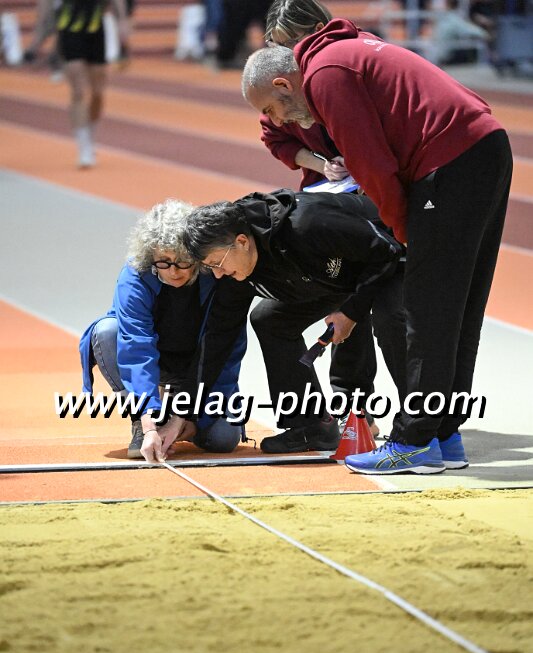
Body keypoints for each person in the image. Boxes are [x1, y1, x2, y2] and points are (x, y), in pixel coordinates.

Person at [241, 22, 512, 475]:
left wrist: (403, 232)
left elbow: (372, 166)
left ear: (284, 84)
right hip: (483, 147)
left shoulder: (325, 75)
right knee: (458, 309)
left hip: (448, 162)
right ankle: (443, 435)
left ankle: (414, 443)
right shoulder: (343, 53)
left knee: (424, 310)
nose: (280, 121)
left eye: (273, 108)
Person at [181, 189, 407, 454]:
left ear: (242, 241)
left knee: (391, 319)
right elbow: (218, 336)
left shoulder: (306, 224)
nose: (218, 274)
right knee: (270, 320)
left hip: (395, 255)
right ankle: (311, 426)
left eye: (217, 262)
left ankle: (420, 423)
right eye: (210, 267)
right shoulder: (233, 273)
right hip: (334, 278)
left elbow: (387, 250)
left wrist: (351, 312)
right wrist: (185, 411)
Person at [261, 0, 380, 437]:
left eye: (290, 42)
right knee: (333, 293)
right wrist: (321, 162)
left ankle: (359, 409)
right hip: (325, 196)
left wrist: (361, 166)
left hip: (373, 195)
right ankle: (325, 417)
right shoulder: (282, 82)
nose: (287, 53)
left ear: (315, 28)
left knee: (358, 300)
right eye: (277, 45)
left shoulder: (341, 67)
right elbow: (275, 137)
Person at [79, 199, 247, 463]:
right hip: (156, 363)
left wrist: (186, 416)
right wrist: (148, 422)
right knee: (107, 331)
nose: (174, 272)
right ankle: (143, 422)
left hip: (199, 367)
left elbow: (226, 349)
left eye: (183, 261)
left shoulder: (218, 275)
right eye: (164, 262)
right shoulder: (135, 275)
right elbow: (136, 347)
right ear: (150, 255)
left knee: (223, 439)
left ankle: (181, 425)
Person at [24, 0, 129, 168]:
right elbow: (44, 7)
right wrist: (37, 40)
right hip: (69, 31)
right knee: (78, 90)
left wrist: (122, 20)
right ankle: (84, 147)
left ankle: (90, 135)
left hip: (95, 29)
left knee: (98, 92)